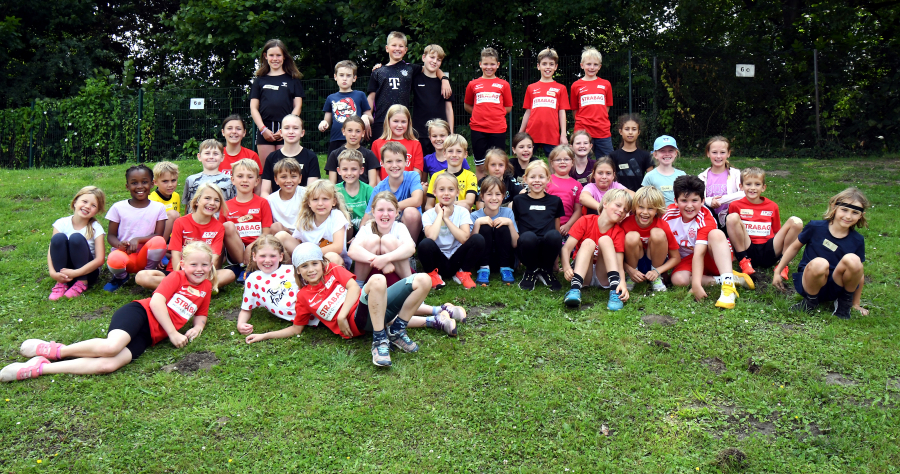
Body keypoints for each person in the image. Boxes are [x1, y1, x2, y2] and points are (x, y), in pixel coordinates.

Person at [2, 242, 216, 383]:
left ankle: (40, 367)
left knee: (108, 364)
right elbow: (158, 301)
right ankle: (55, 351)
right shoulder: (176, 278)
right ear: (182, 264)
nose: (199, 269)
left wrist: (198, 327)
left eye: (204, 264)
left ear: (210, 266)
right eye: (194, 264)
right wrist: (173, 333)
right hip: (140, 314)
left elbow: (201, 313)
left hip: (149, 336)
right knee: (111, 347)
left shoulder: (206, 287)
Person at [244, 243, 458, 367]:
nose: (311, 269)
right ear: (297, 271)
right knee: (377, 282)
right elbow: (296, 328)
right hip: (358, 322)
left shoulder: (334, 271)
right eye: (304, 266)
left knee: (423, 280)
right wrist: (265, 335)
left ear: (322, 263)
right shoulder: (303, 297)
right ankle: (382, 339)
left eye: (314, 264)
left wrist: (340, 315)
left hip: (369, 309)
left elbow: (354, 288)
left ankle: (395, 332)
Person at [773, 188, 869, 319]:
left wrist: (856, 303)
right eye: (844, 210)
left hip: (836, 284)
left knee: (853, 259)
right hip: (810, 280)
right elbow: (794, 248)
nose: (848, 216)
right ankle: (810, 301)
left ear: (860, 216)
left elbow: (859, 272)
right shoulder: (815, 227)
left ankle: (844, 304)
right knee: (820, 263)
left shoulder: (857, 240)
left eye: (855, 212)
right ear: (834, 207)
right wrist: (778, 271)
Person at [664, 176, 754, 309]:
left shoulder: (705, 218)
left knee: (716, 234)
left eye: (695, 200)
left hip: (712, 256)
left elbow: (699, 254)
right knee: (678, 280)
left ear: (703, 201)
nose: (689, 206)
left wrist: (696, 284)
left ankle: (728, 288)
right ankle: (730, 278)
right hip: (688, 259)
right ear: (676, 201)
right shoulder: (668, 214)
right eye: (684, 200)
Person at [136, 183, 236, 290]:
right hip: (178, 272)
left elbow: (214, 258)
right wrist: (180, 275)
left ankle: (181, 288)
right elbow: (176, 254)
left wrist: (201, 274)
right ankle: (196, 288)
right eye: (207, 198)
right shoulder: (181, 222)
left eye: (217, 200)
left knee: (229, 274)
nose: (212, 203)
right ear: (197, 201)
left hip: (203, 274)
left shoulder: (219, 227)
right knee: (142, 277)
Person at [367, 32, 450, 141]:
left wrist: (444, 79)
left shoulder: (410, 69)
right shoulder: (378, 71)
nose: (397, 48)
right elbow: (371, 97)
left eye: (401, 46)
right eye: (394, 45)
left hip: (402, 122)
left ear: (405, 50)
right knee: (380, 154)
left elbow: (431, 67)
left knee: (401, 153)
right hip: (381, 120)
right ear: (387, 48)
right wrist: (368, 116)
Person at [561, 189, 632, 310]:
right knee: (588, 242)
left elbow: (619, 263)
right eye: (618, 205)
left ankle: (614, 291)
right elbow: (566, 249)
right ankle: (575, 290)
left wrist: (623, 283)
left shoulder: (619, 232)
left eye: (625, 210)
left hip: (604, 274)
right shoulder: (585, 220)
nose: (621, 210)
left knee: (605, 240)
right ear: (605, 203)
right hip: (583, 272)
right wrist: (567, 267)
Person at [727, 167, 803, 277]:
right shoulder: (735, 205)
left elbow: (777, 231)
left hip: (769, 250)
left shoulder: (772, 206)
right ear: (741, 186)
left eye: (757, 184)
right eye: (748, 184)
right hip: (748, 248)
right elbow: (732, 231)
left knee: (797, 221)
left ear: (763, 187)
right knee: (732, 217)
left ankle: (783, 263)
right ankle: (743, 261)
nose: (752, 188)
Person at [234, 235, 320, 333]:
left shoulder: (292, 269)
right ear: (254, 256)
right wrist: (240, 323)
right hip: (303, 319)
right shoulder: (253, 280)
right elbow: (246, 308)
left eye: (272, 256)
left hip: (317, 308)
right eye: (262, 256)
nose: (267, 260)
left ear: (280, 257)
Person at [104, 164, 168, 292]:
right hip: (125, 254)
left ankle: (147, 273)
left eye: (144, 182)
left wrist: (138, 239)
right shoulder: (118, 208)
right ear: (127, 186)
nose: (139, 186)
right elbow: (110, 236)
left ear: (151, 184)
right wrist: (119, 244)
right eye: (134, 183)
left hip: (146, 255)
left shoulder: (158, 208)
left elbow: (158, 235)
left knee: (159, 242)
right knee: (114, 259)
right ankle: (121, 277)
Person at [418, 173, 485, 290]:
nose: (446, 193)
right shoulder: (428, 214)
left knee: (478, 239)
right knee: (424, 244)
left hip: (457, 259)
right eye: (441, 189)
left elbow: (464, 238)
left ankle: (463, 273)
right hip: (438, 260)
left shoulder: (462, 212)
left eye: (451, 189)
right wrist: (440, 215)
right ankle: (433, 275)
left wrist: (447, 219)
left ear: (457, 192)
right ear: (435, 192)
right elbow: (431, 237)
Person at [250, 39, 304, 170]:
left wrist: (286, 129)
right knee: (267, 170)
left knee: (287, 170)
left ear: (284, 57)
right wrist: (263, 129)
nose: (275, 59)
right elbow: (253, 108)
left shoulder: (293, 80)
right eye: (271, 55)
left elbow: (298, 106)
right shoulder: (259, 80)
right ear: (265, 56)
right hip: (265, 129)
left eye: (278, 55)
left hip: (287, 129)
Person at [274, 180, 351, 270]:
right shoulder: (305, 218)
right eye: (315, 199)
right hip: (307, 260)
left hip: (331, 260)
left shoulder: (336, 215)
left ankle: (328, 282)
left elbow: (338, 247)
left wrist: (309, 254)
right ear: (309, 203)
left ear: (333, 201)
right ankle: (290, 273)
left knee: (331, 256)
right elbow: (298, 241)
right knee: (281, 236)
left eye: (325, 199)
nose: (320, 203)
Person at [47, 186, 107, 300]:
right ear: (75, 202)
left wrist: (77, 273)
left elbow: (100, 260)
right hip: (65, 271)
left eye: (93, 205)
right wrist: (52, 273)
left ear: (97, 211)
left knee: (76, 238)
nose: (87, 206)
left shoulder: (96, 228)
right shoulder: (61, 223)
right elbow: (51, 250)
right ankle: (62, 283)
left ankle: (81, 282)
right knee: (58, 238)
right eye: (84, 201)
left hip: (88, 273)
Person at [512, 160, 564, 291]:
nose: (537, 180)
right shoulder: (518, 200)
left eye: (541, 177)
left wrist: (556, 262)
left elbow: (557, 230)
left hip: (547, 249)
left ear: (548, 179)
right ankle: (531, 271)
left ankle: (547, 271)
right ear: (525, 179)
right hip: (527, 247)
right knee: (528, 236)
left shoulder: (555, 201)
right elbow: (515, 227)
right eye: (533, 177)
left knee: (554, 235)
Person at [220, 159, 273, 280]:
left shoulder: (262, 203)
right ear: (233, 180)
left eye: (250, 177)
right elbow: (220, 235)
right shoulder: (226, 205)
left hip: (257, 247)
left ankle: (249, 268)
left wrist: (252, 246)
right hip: (235, 251)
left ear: (256, 181)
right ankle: (243, 267)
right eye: (240, 176)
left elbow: (266, 233)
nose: (245, 180)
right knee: (227, 226)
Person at [465, 47, 513, 180]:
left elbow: (508, 107)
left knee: (498, 165)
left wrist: (496, 113)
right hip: (478, 128)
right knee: (480, 166)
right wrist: (479, 113)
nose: (489, 67)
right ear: (480, 64)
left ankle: (498, 193)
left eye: (492, 64)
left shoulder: (503, 84)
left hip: (497, 129)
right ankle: (481, 194)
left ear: (497, 64)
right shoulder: (473, 84)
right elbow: (467, 105)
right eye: (485, 64)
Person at [621, 186, 681, 292]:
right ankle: (632, 277)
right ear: (634, 207)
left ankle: (656, 278)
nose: (645, 212)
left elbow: (676, 258)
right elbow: (617, 255)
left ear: (657, 209)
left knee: (657, 233)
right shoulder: (625, 224)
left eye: (650, 208)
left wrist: (658, 271)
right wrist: (629, 270)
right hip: (634, 263)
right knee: (631, 236)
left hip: (655, 263)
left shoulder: (662, 225)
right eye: (641, 207)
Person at [348, 192, 415, 283]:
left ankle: (409, 282)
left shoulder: (399, 227)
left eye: (390, 210)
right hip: (370, 276)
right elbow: (352, 251)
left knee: (388, 240)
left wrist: (385, 259)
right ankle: (359, 285)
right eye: (381, 210)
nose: (385, 214)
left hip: (397, 274)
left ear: (396, 212)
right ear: (373, 212)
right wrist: (381, 262)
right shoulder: (367, 228)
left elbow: (410, 248)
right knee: (372, 239)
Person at [363, 142, 424, 242]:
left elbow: (417, 200)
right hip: (389, 227)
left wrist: (390, 208)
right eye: (389, 161)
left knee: (411, 212)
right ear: (382, 163)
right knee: (372, 222)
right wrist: (358, 237)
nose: (394, 165)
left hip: (411, 227)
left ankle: (409, 250)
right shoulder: (379, 188)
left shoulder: (413, 176)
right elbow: (368, 215)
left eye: (399, 161)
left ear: (406, 161)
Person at [519, 48, 570, 155]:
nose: (548, 67)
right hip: (532, 133)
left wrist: (563, 135)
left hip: (552, 134)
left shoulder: (561, 88)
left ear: (556, 67)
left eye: (551, 64)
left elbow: (562, 113)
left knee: (555, 163)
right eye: (544, 64)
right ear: (538, 66)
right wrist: (520, 133)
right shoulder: (531, 88)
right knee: (526, 163)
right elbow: (528, 112)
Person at [471, 176, 519, 285]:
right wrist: (478, 223)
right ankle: (483, 269)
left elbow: (516, 243)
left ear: (503, 196)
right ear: (482, 197)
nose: (494, 198)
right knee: (484, 226)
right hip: (482, 258)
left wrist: (510, 224)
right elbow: (471, 243)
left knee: (503, 225)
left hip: (503, 256)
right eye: (489, 194)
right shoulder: (475, 215)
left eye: (497, 194)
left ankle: (505, 268)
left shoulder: (508, 212)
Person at [319, 60, 373, 154]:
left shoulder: (360, 95)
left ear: (354, 78)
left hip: (355, 138)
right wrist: (323, 123)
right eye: (341, 75)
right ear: (335, 77)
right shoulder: (331, 98)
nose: (344, 78)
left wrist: (365, 117)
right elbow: (327, 120)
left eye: (348, 75)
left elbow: (371, 119)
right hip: (336, 139)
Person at [570, 47, 614, 157]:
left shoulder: (606, 84)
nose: (592, 67)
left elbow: (607, 107)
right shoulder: (576, 85)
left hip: (602, 131)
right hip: (582, 131)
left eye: (595, 64)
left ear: (599, 67)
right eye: (588, 64)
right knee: (581, 162)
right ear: (582, 65)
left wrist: (598, 120)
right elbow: (575, 109)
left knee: (607, 162)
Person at [260, 114, 319, 195]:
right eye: (287, 128)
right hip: (276, 206)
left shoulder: (311, 157)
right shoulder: (271, 157)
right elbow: (264, 192)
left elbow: (311, 191)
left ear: (302, 133)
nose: (291, 132)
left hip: (302, 205)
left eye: (295, 128)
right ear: (280, 132)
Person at [412, 45, 455, 156]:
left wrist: (451, 133)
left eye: (439, 59)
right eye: (432, 57)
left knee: (442, 167)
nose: (434, 61)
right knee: (421, 168)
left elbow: (449, 109)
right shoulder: (415, 78)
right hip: (419, 132)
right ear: (423, 58)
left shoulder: (445, 84)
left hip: (440, 134)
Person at [698, 136, 743, 229]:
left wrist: (720, 201)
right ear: (708, 153)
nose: (718, 156)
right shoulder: (701, 177)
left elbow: (743, 194)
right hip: (708, 218)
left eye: (722, 152)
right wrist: (710, 201)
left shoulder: (736, 174)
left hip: (731, 218)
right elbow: (698, 199)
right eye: (714, 152)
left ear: (728, 154)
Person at [371, 104, 425, 181]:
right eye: (396, 121)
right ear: (388, 121)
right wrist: (382, 190)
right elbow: (375, 174)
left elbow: (417, 173)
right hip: (384, 191)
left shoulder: (415, 144)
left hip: (407, 190)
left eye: (403, 122)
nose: (399, 125)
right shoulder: (377, 144)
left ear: (408, 123)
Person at [425, 134, 478, 211]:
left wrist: (446, 205)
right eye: (450, 151)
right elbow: (429, 205)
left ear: (465, 154)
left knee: (465, 206)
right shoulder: (436, 176)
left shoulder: (470, 176)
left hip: (462, 214)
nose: (454, 155)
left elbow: (469, 202)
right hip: (440, 214)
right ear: (444, 154)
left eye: (459, 151)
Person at [324, 115, 380, 185]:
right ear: (343, 131)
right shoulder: (335, 154)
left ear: (363, 133)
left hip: (364, 195)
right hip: (341, 194)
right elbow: (332, 184)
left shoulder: (369, 154)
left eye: (358, 131)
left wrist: (367, 195)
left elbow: (372, 183)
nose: (353, 134)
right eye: (350, 130)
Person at [182, 139, 236, 205]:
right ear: (199, 157)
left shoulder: (230, 181)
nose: (211, 157)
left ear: (222, 157)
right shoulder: (191, 180)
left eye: (215, 154)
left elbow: (234, 205)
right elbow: (188, 207)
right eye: (207, 153)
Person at [335, 149, 374, 237]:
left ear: (361, 170)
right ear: (339, 171)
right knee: (346, 224)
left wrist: (360, 235)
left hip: (365, 230)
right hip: (344, 231)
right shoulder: (335, 190)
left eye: (354, 169)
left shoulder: (369, 190)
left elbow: (372, 214)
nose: (349, 173)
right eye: (345, 169)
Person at [545, 145, 583, 238]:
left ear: (572, 162)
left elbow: (578, 209)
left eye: (566, 159)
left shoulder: (577, 185)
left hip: (567, 228)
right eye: (558, 160)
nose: (562, 162)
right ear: (552, 163)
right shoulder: (546, 181)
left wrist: (568, 225)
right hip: (548, 226)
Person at [609, 114, 653, 192]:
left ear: (638, 132)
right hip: (619, 197)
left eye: (634, 129)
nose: (630, 132)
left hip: (639, 198)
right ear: (620, 131)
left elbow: (652, 180)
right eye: (627, 129)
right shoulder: (613, 156)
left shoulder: (646, 156)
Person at [266, 158, 306, 235]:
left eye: (293, 176)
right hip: (283, 235)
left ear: (300, 178)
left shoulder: (306, 194)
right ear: (276, 179)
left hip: (304, 235)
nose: (288, 181)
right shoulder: (270, 200)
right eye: (283, 177)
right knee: (275, 226)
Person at [641, 135, 685, 206]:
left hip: (679, 215)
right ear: (655, 155)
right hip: (659, 216)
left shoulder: (682, 175)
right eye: (662, 151)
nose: (667, 154)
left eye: (670, 150)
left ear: (675, 153)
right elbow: (644, 199)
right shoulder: (650, 176)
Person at [219, 115, 262, 182]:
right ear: (223, 132)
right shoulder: (216, 156)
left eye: (238, 129)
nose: (234, 131)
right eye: (229, 128)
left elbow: (258, 186)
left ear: (244, 132)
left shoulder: (252, 156)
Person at [148, 161, 181, 241]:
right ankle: (163, 246)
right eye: (165, 181)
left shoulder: (176, 196)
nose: (170, 185)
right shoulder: (151, 199)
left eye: (173, 180)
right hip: (156, 236)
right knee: (173, 214)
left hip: (173, 235)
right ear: (155, 182)